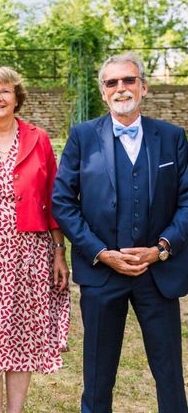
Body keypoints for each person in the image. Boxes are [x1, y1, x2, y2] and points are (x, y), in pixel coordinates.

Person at [52, 52, 188, 413]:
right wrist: (100, 252)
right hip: (102, 272)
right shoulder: (82, 137)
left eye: (128, 80)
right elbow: (63, 202)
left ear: (143, 87)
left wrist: (161, 248)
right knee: (97, 375)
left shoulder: (172, 137)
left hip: (156, 272)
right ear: (103, 92)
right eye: (111, 82)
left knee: (169, 372)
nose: (120, 88)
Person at [0, 66, 70, 413]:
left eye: (5, 91)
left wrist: (59, 252)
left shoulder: (39, 138)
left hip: (32, 250)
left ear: (17, 97)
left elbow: (53, 197)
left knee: (23, 333)